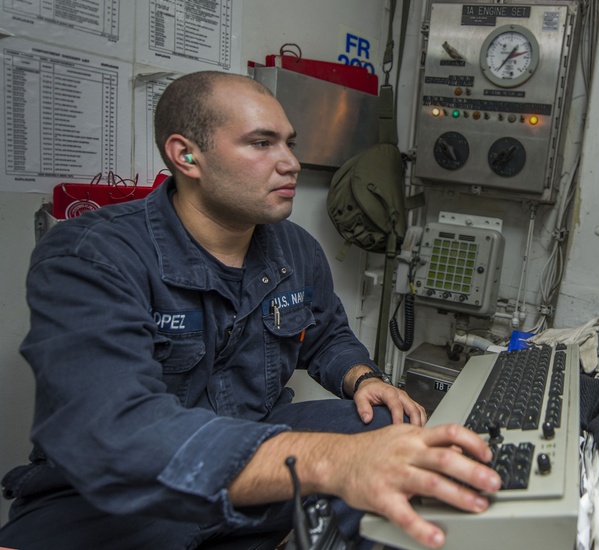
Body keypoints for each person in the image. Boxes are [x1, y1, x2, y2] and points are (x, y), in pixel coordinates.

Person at [0, 71, 501, 550]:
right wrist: (332, 461)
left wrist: (363, 377)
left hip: (258, 453)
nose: (291, 163)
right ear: (186, 156)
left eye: (289, 143)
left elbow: (326, 335)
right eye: (262, 143)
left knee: (390, 434)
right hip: (119, 497)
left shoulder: (296, 249)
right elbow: (119, 435)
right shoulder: (92, 255)